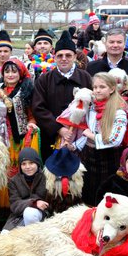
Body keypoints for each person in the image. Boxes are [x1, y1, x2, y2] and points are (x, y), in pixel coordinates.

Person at [31, 30, 93, 159]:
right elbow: (38, 108)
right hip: (51, 136)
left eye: (68, 55)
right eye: (60, 55)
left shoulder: (85, 78)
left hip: (80, 137)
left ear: (75, 56)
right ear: (54, 56)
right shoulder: (44, 79)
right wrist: (59, 128)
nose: (64, 59)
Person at [72, 72, 128, 206]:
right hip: (89, 155)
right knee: (88, 191)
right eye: (95, 87)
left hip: (108, 158)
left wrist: (91, 136)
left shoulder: (118, 111)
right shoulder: (92, 107)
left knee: (104, 193)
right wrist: (75, 145)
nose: (97, 90)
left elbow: (116, 139)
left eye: (102, 87)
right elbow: (87, 130)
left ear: (112, 89)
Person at [0, 57, 39, 173]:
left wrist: (31, 123)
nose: (10, 75)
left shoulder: (26, 89)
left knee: (15, 168)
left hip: (18, 137)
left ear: (21, 73)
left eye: (14, 71)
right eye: (7, 71)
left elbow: (32, 114)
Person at [7, 147, 48, 227]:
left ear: (37, 163)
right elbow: (15, 205)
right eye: (24, 164)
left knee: (30, 213)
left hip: (41, 214)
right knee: (4, 236)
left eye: (31, 163)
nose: (27, 167)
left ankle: (33, 239)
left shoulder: (45, 178)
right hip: (18, 217)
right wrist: (33, 203)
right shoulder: (14, 181)